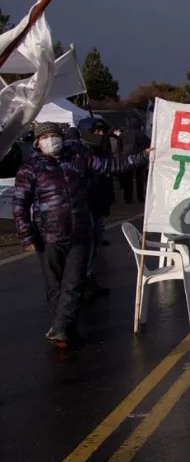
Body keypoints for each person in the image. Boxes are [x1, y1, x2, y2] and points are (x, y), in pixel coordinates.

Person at [12, 121, 149, 348]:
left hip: (79, 232)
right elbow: (20, 205)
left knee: (74, 283)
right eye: (45, 137)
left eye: (54, 135)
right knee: (55, 286)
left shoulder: (78, 158)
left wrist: (142, 157)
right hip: (48, 237)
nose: (50, 140)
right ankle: (65, 330)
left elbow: (112, 165)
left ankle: (60, 328)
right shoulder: (29, 170)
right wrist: (26, 236)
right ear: (37, 143)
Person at [80, 119, 116, 296]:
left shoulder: (104, 151)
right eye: (96, 130)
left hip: (99, 204)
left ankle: (88, 278)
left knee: (96, 244)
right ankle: (83, 281)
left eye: (102, 130)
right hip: (86, 206)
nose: (101, 134)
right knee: (87, 246)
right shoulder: (82, 153)